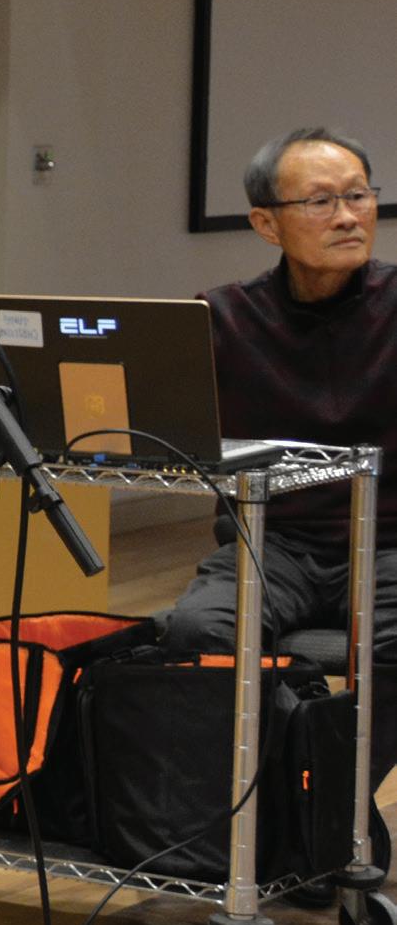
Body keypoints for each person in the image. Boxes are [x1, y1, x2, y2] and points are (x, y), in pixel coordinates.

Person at [163, 125, 397, 785]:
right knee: (196, 630)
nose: (348, 216)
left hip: (388, 542)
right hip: (273, 542)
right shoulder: (223, 317)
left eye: (359, 195)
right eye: (321, 201)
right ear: (267, 223)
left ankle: (331, 801)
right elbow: (164, 431)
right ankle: (277, 788)